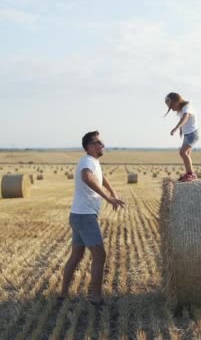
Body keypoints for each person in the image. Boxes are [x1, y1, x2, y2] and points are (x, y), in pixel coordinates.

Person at [60, 130, 125, 306]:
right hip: (85, 217)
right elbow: (87, 177)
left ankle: (63, 293)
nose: (102, 145)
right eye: (98, 142)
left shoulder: (92, 161)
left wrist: (112, 191)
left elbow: (100, 177)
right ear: (89, 146)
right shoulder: (87, 161)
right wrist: (107, 197)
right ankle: (95, 297)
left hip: (78, 215)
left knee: (76, 255)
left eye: (101, 142)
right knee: (99, 256)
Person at [165, 92, 200, 182]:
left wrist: (176, 128)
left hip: (192, 134)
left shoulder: (187, 107)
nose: (172, 109)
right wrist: (181, 130)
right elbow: (183, 120)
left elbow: (185, 118)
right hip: (188, 134)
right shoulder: (182, 109)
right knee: (186, 154)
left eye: (171, 107)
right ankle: (189, 173)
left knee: (182, 153)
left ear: (176, 101)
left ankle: (191, 174)